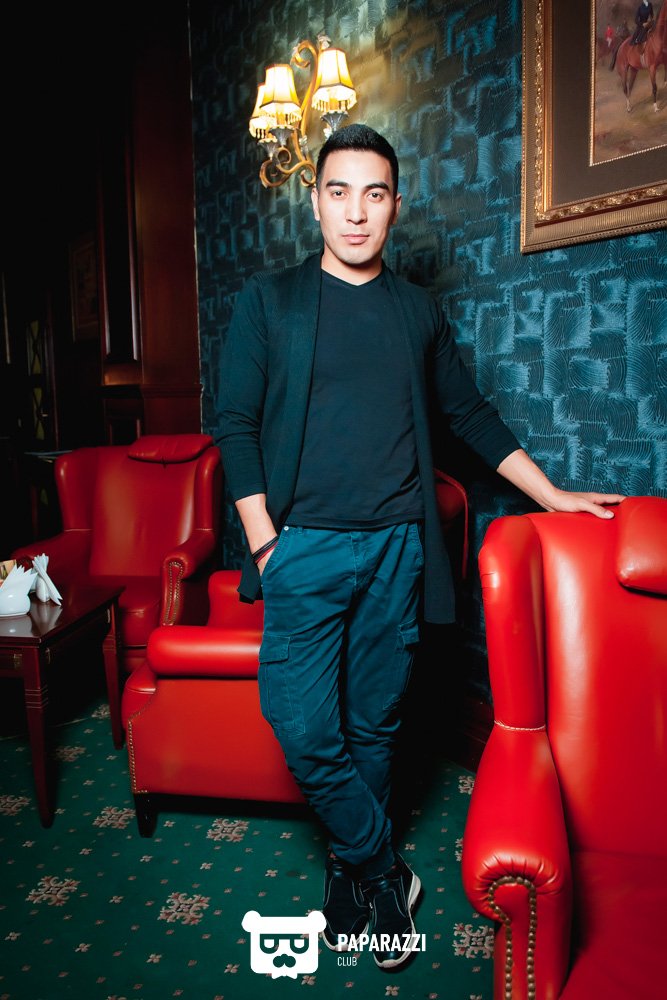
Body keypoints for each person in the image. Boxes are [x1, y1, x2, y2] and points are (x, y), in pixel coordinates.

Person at [218, 124, 625, 970]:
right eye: (338, 192)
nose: (355, 212)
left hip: (398, 550)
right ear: (315, 201)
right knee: (300, 723)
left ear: (394, 206)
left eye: (373, 194)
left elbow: (468, 413)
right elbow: (236, 424)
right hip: (301, 550)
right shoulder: (271, 301)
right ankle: (383, 868)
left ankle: (347, 875)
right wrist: (265, 547)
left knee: (374, 725)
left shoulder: (415, 311)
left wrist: (551, 494)